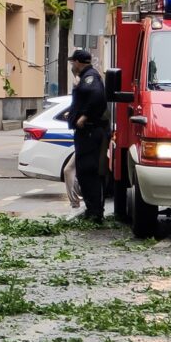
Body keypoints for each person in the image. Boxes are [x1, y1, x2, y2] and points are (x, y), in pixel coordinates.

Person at [67, 47, 108, 223]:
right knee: (84, 172)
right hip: (87, 132)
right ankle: (92, 210)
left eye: (72, 62)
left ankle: (95, 212)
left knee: (88, 171)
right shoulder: (86, 78)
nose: (71, 65)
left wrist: (84, 116)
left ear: (77, 62)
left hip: (90, 131)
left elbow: (97, 96)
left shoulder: (90, 77)